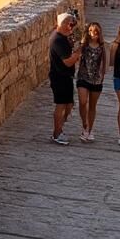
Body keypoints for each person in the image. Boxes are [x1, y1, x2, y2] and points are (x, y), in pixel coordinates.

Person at [48, 12, 81, 146]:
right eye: (67, 24)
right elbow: (68, 61)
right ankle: (56, 133)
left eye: (71, 24)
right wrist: (79, 52)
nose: (70, 27)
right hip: (59, 76)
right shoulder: (58, 40)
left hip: (65, 76)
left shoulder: (62, 37)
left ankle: (60, 127)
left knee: (69, 104)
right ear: (59, 24)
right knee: (61, 105)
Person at [75, 22, 107, 143]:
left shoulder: (103, 46)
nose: (93, 33)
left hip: (96, 80)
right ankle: (85, 125)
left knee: (92, 106)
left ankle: (90, 130)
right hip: (83, 77)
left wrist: (102, 75)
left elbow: (105, 62)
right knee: (83, 102)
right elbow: (75, 55)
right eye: (91, 31)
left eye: (95, 31)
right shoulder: (83, 45)